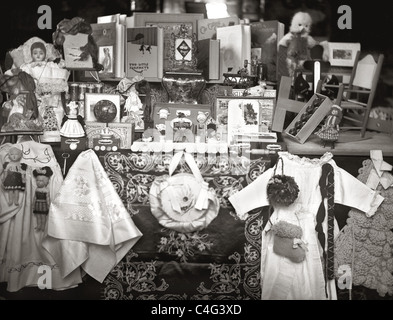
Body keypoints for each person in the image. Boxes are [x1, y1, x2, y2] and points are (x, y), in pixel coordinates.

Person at [32, 166, 53, 231]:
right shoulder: (36, 189)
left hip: (43, 205)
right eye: (37, 180)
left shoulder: (46, 190)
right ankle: (38, 226)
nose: (38, 182)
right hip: (37, 205)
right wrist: (33, 204)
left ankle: (43, 227)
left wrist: (48, 205)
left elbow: (48, 198)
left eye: (41, 181)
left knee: (43, 217)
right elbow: (34, 197)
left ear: (45, 182)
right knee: (38, 216)